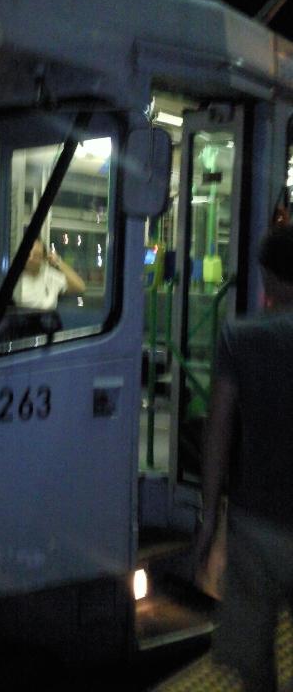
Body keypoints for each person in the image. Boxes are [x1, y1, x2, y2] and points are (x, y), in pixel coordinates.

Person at [195, 223, 293, 692]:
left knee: (254, 662)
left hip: (254, 527)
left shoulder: (240, 336)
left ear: (268, 276)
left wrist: (210, 521)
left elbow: (217, 435)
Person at [14, 238, 85, 310]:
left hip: (47, 319)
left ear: (43, 258)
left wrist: (58, 262)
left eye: (36, 255)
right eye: (28, 254)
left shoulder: (50, 275)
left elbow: (80, 287)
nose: (31, 258)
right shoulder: (14, 277)